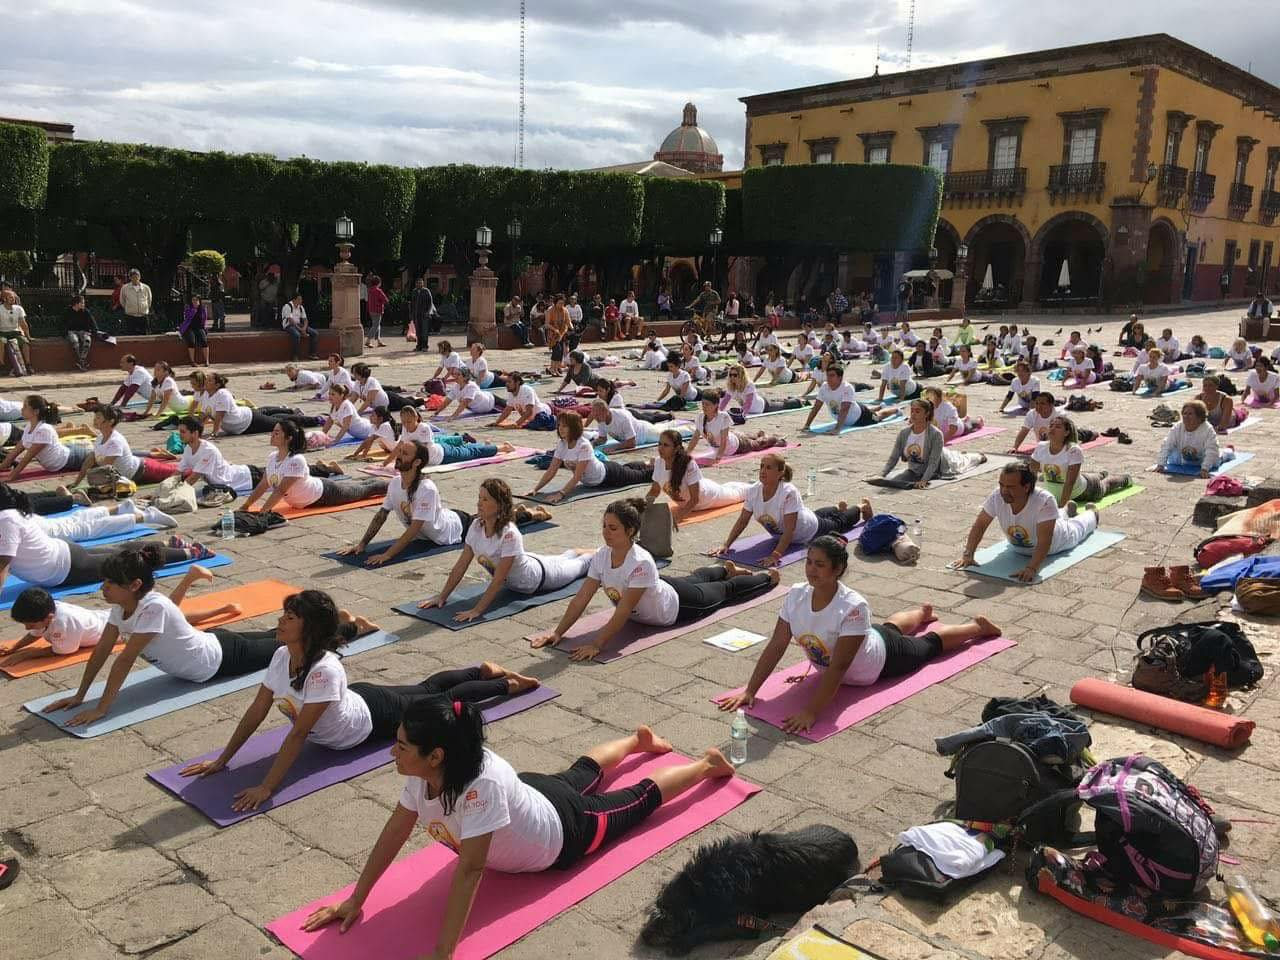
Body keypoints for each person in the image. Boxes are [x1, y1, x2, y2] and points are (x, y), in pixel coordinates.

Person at [716, 536, 1000, 732]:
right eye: (809, 562)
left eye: (820, 564)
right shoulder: (796, 595)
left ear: (838, 569)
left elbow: (839, 666)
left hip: (881, 660)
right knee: (888, 627)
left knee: (927, 645)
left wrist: (811, 711)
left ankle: (977, 627)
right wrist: (750, 690)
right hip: (870, 637)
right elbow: (777, 644)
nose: (811, 570)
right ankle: (922, 615)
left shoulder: (853, 606)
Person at [38, 545, 289, 727]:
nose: (103, 588)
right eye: (104, 581)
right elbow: (101, 651)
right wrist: (80, 695)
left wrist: (102, 709)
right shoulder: (120, 607)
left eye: (110, 583)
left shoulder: (153, 607)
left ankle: (325, 634)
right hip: (213, 641)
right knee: (278, 637)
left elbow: (125, 659)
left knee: (290, 645)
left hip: (222, 659)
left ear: (134, 585)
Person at [528, 498, 777, 660]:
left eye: (613, 528)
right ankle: (723, 568)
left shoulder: (640, 562)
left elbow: (624, 610)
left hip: (675, 607)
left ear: (630, 531)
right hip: (662, 585)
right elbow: (582, 597)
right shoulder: (602, 556)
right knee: (695, 576)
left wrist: (597, 644)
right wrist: (558, 633)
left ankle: (766, 578)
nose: (606, 533)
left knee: (725, 591)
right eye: (604, 526)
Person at [419, 479, 590, 622]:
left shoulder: (509, 534)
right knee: (567, 556)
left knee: (583, 564)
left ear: (500, 505)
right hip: (527, 561)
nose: (479, 503)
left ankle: (601, 552)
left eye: (485, 499)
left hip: (539, 578)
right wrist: (442, 597)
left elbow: (499, 579)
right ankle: (576, 551)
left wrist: (477, 610)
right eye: (479, 497)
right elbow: (460, 567)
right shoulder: (476, 526)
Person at [1, 564, 235, 668]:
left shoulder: (63, 622)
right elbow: (34, 633)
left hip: (119, 627)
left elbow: (62, 651)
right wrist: (16, 648)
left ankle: (193, 582)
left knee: (172, 614)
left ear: (48, 617)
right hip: (108, 619)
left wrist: (26, 656)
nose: (27, 629)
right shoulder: (47, 613)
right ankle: (215, 602)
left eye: (29, 623)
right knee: (175, 615)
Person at [954, 462, 1100, 583]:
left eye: (1010, 487)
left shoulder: (1044, 500)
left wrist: (1032, 568)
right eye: (1001, 485)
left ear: (1026, 487)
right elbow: (980, 525)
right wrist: (968, 554)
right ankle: (1066, 509)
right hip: (1020, 546)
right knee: (1055, 516)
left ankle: (1092, 513)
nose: (1004, 490)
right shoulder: (997, 496)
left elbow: (1044, 541)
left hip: (1058, 542)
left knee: (1078, 527)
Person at [710, 453, 863, 566]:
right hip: (804, 516)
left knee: (840, 522)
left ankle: (860, 507)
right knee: (817, 514)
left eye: (769, 467)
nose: (763, 471)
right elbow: (742, 521)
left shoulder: (788, 492)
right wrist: (726, 544)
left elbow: (790, 530)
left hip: (810, 529)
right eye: (761, 466)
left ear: (780, 473)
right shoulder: (753, 490)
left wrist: (775, 556)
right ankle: (836, 507)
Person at [242, 419, 389, 514]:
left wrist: (263, 511)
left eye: (277, 433)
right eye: (273, 432)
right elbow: (263, 484)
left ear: (288, 438)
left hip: (324, 494)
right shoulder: (272, 457)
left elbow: (280, 490)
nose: (272, 435)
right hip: (309, 497)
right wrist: (246, 505)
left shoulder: (296, 460)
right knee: (360, 485)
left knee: (367, 489)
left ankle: (395, 485)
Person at [526, 412, 652, 504]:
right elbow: (551, 470)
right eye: (559, 425)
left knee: (641, 476)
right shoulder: (562, 444)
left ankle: (663, 470)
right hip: (597, 475)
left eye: (565, 426)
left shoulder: (583, 445)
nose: (560, 429)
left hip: (609, 476)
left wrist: (560, 494)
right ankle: (645, 463)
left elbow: (577, 477)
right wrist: (536, 489)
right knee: (628, 468)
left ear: (574, 428)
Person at [866, 398, 987, 489]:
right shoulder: (904, 433)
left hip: (943, 462)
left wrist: (924, 480)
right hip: (916, 469)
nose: (913, 414)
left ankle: (978, 456)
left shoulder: (935, 434)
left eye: (917, 411)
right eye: (912, 411)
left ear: (926, 414)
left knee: (964, 460)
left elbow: (933, 462)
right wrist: (882, 474)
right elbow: (894, 456)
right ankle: (961, 454)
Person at [646, 430, 750, 525]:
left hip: (709, 497)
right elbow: (655, 490)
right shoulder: (659, 462)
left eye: (666, 445)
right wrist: (644, 507)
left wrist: (679, 517)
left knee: (742, 493)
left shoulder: (688, 463)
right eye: (659, 444)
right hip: (691, 500)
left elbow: (694, 499)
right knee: (730, 487)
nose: (660, 448)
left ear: (676, 448)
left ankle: (759, 486)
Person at [1029, 415, 1132, 508]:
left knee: (1106, 485)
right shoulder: (1041, 446)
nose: (1052, 429)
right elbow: (1032, 470)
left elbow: (1070, 482)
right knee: (1090, 476)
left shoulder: (1073, 450)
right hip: (1076, 478)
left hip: (1085, 490)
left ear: (1066, 432)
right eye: (1051, 426)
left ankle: (1125, 479)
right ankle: (1100, 475)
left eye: (1058, 427)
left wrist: (1062, 506)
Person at [69, 405, 180, 488]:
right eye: (95, 417)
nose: (94, 420)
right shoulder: (99, 438)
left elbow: (105, 467)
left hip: (143, 470)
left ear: (110, 421)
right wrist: (76, 483)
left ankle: (196, 467)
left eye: (98, 417)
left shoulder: (115, 441)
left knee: (180, 473)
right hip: (135, 470)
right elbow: (88, 462)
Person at [1, 395, 91, 482]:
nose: (21, 409)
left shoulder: (43, 430)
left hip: (71, 458)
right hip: (65, 453)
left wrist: (11, 476)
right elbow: (15, 451)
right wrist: (2, 466)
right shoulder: (29, 426)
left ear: (36, 411)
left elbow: (27, 458)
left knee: (98, 458)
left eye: (25, 407)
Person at [688, 390, 784, 463]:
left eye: (707, 405)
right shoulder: (700, 417)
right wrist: (687, 453)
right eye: (703, 404)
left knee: (758, 444)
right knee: (747, 437)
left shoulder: (723, 417)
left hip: (737, 445)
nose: (704, 407)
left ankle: (774, 438)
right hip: (732, 435)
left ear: (716, 405)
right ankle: (757, 434)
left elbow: (724, 440)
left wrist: (718, 457)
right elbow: (695, 438)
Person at [207, 373, 312, 438]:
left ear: (217, 385)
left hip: (248, 422)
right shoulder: (206, 395)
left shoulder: (222, 393)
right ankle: (290, 411)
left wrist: (214, 433)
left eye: (209, 380)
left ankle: (315, 420)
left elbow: (219, 416)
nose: (206, 382)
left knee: (281, 424)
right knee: (271, 416)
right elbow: (204, 414)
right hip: (243, 421)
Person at [801, 364, 888, 434]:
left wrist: (837, 429)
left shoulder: (847, 387)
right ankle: (879, 406)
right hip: (853, 407)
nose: (828, 378)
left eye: (832, 376)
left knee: (878, 416)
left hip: (860, 417)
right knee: (863, 408)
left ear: (840, 378)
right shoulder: (824, 387)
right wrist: (807, 425)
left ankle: (894, 410)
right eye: (827, 376)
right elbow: (816, 407)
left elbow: (844, 409)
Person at [1155, 400, 1225, 477]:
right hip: (1184, 459)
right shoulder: (1177, 427)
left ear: (1199, 417)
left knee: (1220, 455)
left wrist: (1205, 469)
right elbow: (1167, 445)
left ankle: (1228, 452)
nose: (1186, 417)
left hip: (1204, 459)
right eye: (1184, 414)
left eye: (1190, 414)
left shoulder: (1208, 429)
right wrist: (1160, 465)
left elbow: (1211, 450)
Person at [721, 364, 801, 416]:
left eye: (735, 375)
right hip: (757, 404)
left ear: (741, 375)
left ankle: (798, 401)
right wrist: (718, 412)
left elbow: (748, 402)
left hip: (763, 407)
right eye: (730, 375)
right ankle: (790, 398)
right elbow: (725, 400)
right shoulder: (731, 386)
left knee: (785, 405)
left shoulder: (749, 384)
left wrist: (742, 414)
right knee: (779, 401)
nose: (732, 377)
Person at [492, 372, 556, 430]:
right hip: (532, 419)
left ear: (517, 382)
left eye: (509, 382)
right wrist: (496, 423)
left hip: (546, 412)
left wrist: (516, 424)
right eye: (506, 382)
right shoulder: (511, 392)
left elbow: (529, 411)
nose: (507, 384)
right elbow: (508, 409)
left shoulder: (527, 390)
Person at [588, 400, 659, 451]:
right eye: (594, 415)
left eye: (597, 415)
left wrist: (614, 447)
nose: (595, 418)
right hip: (635, 431)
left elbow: (631, 443)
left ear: (606, 412)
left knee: (665, 434)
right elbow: (602, 439)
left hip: (645, 433)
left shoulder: (622, 418)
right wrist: (592, 444)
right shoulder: (601, 419)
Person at [281, 293, 321, 362]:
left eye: (301, 299)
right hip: (289, 325)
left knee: (315, 333)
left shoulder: (301, 307)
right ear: (294, 300)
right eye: (299, 299)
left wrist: (304, 328)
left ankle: (312, 354)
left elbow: (305, 319)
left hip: (299, 325)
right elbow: (291, 321)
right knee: (297, 335)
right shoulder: (287, 306)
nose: (301, 301)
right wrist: (301, 330)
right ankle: (295, 355)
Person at [63, 294, 96, 371]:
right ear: (76, 304)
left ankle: (82, 360)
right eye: (82, 303)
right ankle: (82, 362)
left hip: (83, 331)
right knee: (75, 342)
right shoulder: (68, 311)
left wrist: (94, 331)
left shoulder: (85, 311)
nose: (83, 304)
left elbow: (92, 322)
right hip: (71, 331)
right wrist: (64, 333)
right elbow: (62, 323)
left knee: (87, 341)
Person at [180, 293, 210, 366]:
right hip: (189, 327)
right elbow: (187, 317)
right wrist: (193, 310)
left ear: (199, 301)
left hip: (199, 327)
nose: (195, 301)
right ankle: (192, 361)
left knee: (204, 341)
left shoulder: (203, 308)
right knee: (191, 341)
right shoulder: (188, 308)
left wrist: (204, 328)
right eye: (193, 300)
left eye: (196, 300)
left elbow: (204, 319)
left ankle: (206, 361)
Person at [120, 268, 152, 336]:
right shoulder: (125, 288)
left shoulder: (146, 288)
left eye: (137, 276)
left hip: (143, 316)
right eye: (133, 277)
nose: (135, 278)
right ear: (130, 278)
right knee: (131, 336)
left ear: (139, 277)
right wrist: (129, 308)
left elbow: (149, 300)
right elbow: (122, 301)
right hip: (130, 316)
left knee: (145, 336)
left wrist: (144, 308)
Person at [412, 277, 436, 350]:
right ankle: (419, 346)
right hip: (416, 314)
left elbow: (430, 302)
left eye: (421, 282)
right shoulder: (414, 291)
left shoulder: (426, 291)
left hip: (425, 314)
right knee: (418, 331)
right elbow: (412, 304)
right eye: (418, 282)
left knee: (424, 331)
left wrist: (428, 312)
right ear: (416, 284)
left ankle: (425, 346)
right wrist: (411, 313)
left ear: (423, 283)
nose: (419, 284)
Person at [365, 276, 388, 348]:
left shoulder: (370, 290)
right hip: (378, 310)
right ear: (378, 283)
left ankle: (378, 340)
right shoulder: (378, 290)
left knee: (377, 325)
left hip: (371, 310)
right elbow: (385, 300)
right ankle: (368, 340)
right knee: (375, 325)